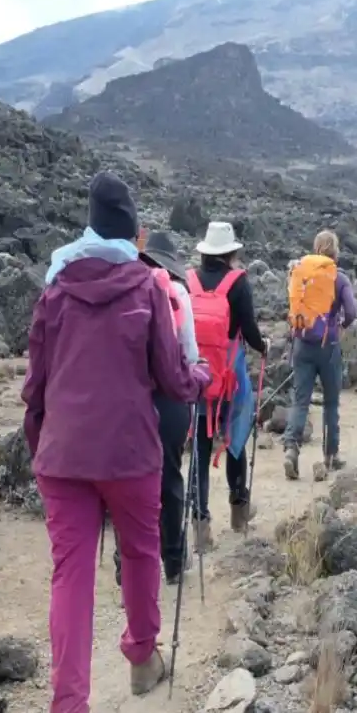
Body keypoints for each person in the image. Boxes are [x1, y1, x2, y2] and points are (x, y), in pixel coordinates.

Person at [22, 172, 211, 713]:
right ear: (137, 233)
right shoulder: (147, 286)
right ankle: (140, 657)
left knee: (70, 576)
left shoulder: (54, 288)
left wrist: (41, 445)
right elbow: (172, 375)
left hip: (64, 454)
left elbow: (37, 386)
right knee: (140, 551)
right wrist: (199, 378)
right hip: (129, 450)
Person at [112, 230, 200, 587]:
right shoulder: (176, 292)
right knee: (170, 477)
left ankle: (125, 561)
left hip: (127, 401)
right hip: (170, 400)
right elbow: (190, 354)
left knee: (125, 482)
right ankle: (175, 560)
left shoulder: (121, 287)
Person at [189, 221, 269, 536]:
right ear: (231, 252)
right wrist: (264, 347)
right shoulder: (238, 283)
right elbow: (249, 331)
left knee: (199, 443)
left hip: (197, 375)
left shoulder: (189, 280)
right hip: (230, 375)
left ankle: (200, 525)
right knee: (235, 438)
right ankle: (239, 511)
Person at [282, 230, 357, 479]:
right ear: (335, 251)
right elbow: (352, 311)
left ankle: (291, 449)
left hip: (302, 344)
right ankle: (331, 455)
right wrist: (341, 327)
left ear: (315, 249)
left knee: (300, 399)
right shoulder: (339, 277)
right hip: (329, 346)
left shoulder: (302, 273)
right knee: (331, 401)